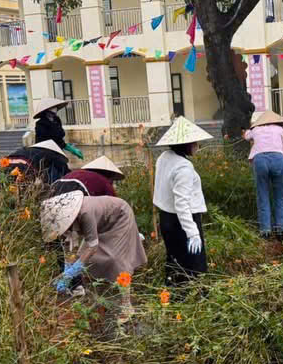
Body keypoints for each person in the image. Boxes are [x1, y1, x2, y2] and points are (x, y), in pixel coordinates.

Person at [39, 191, 147, 323]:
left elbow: (92, 247)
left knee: (117, 260)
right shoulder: (66, 221)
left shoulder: (85, 213)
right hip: (101, 225)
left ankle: (126, 307)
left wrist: (73, 271)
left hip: (120, 218)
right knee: (87, 258)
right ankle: (99, 299)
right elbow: (69, 247)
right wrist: (66, 270)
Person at [153, 116, 212, 288]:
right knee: (192, 267)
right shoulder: (183, 168)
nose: (197, 146)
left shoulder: (164, 157)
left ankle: (173, 295)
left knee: (174, 261)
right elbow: (182, 204)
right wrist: (192, 233)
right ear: (186, 145)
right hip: (183, 222)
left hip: (166, 218)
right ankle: (193, 297)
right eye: (195, 143)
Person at [244, 110, 283, 239]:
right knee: (281, 195)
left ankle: (265, 230)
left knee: (262, 195)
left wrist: (247, 131)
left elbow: (247, 136)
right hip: (278, 158)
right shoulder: (280, 130)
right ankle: (281, 229)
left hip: (260, 160)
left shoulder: (256, 129)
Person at [49, 156, 124, 198]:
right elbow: (113, 203)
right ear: (110, 175)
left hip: (55, 189)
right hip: (77, 198)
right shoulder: (104, 182)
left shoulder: (75, 173)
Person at [5, 139, 70, 184]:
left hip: (6, 162)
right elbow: (60, 169)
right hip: (25, 166)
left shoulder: (30, 150)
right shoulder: (51, 155)